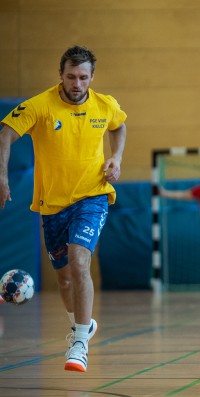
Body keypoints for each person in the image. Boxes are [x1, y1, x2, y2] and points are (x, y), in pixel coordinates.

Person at [0, 45, 127, 373]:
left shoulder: (105, 104)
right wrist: (2, 177)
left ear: (92, 77)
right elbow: (5, 134)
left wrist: (117, 158)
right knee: (64, 279)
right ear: (61, 75)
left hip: (92, 197)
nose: (77, 83)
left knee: (79, 261)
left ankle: (80, 341)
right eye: (71, 76)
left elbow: (119, 126)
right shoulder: (41, 106)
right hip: (52, 204)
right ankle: (80, 324)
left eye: (83, 77)